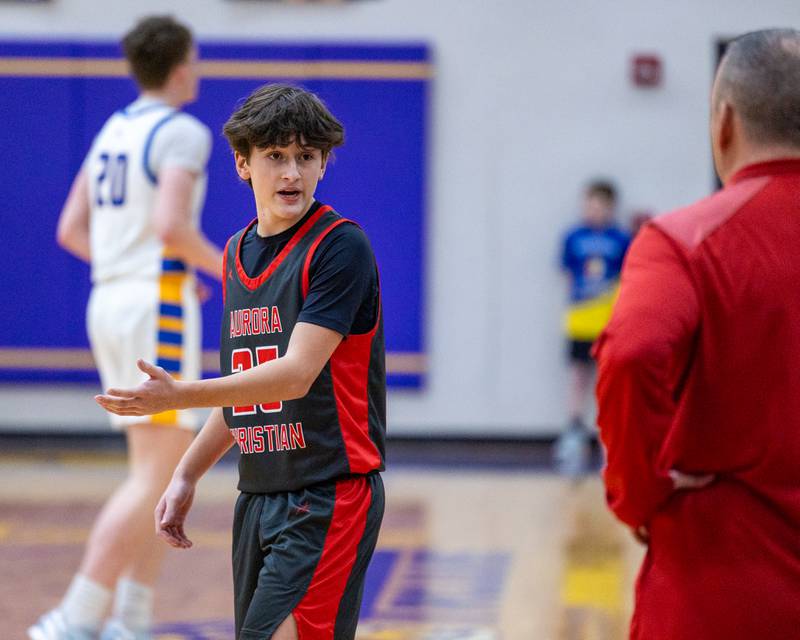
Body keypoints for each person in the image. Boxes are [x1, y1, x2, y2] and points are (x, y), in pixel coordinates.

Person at [95, 83, 386, 640]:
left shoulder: (339, 247)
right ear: (243, 164)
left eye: (306, 157)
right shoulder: (235, 254)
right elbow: (244, 389)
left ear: (324, 164)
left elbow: (296, 374)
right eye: (275, 156)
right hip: (257, 496)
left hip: (328, 493)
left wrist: (177, 395)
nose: (292, 173)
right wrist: (186, 474)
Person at [595, 29, 800, 640]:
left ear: (725, 123)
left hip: (720, 586)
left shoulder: (684, 241)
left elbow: (631, 356)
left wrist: (640, 494)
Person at [30, 15, 222, 640]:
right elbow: (171, 223)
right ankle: (79, 616)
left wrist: (139, 268)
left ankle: (131, 617)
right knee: (154, 477)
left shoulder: (114, 127)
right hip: (152, 308)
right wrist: (235, 272)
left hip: (111, 299)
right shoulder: (183, 132)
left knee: (164, 472)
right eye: (194, 58)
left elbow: (70, 230)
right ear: (179, 65)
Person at [555, 181, 630, 475]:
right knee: (578, 378)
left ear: (610, 207)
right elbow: (566, 272)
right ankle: (573, 435)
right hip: (579, 319)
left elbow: (627, 278)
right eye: (588, 205)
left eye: (599, 205)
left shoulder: (621, 238)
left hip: (607, 321)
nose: (592, 211)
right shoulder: (573, 237)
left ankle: (606, 441)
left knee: (605, 383)